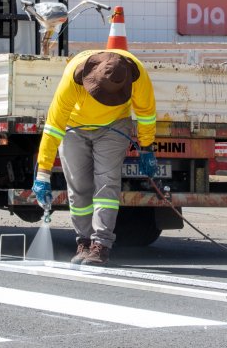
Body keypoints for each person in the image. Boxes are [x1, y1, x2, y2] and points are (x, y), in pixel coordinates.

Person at [32, 49, 158, 266]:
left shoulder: (136, 74)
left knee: (106, 186)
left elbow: (146, 113)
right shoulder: (74, 76)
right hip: (75, 126)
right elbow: (54, 127)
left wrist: (146, 147)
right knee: (79, 187)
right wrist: (43, 172)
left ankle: (101, 245)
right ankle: (84, 241)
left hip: (114, 126)